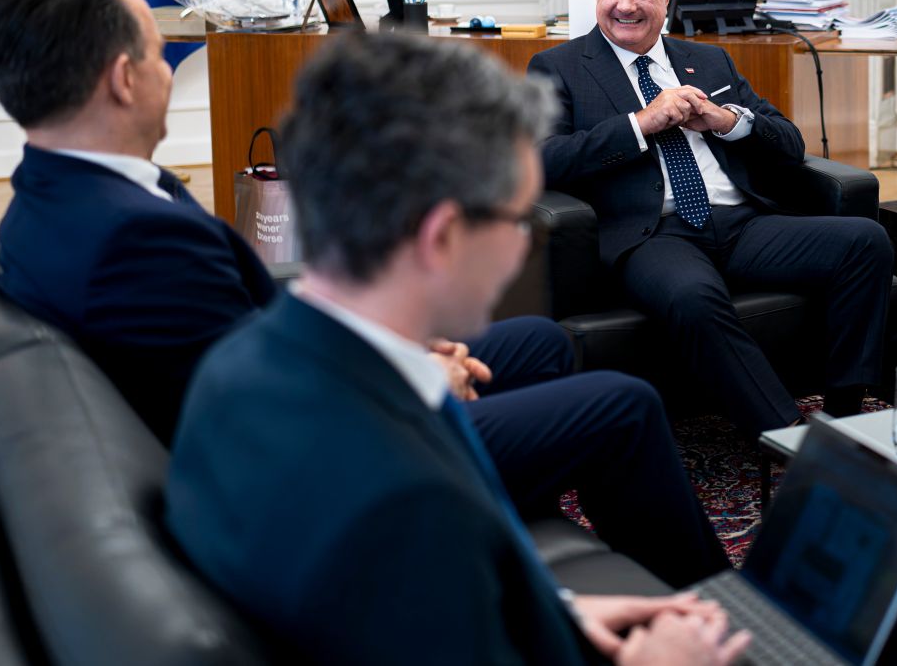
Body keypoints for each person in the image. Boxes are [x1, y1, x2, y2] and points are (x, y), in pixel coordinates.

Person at [0, 0, 727, 588]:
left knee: (539, 340)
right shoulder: (129, 240)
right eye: (158, 51)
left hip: (316, 404)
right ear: (121, 78)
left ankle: (528, 517)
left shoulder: (60, 198)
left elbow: (250, 343)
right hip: (336, 472)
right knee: (623, 405)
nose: (170, 70)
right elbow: (260, 416)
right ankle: (728, 610)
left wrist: (396, 345)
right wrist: (408, 376)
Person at [166, 33, 748, 664]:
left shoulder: (242, 363)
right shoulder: (415, 504)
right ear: (441, 237)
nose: (523, 246)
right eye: (515, 218)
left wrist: (561, 609)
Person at [527, 0, 892, 436]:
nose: (626, 5)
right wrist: (642, 123)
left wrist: (726, 121)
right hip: (653, 235)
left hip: (742, 226)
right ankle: (785, 435)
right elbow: (543, 161)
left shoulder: (710, 59)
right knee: (693, 295)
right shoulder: (559, 67)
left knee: (865, 241)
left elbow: (789, 141)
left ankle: (847, 416)